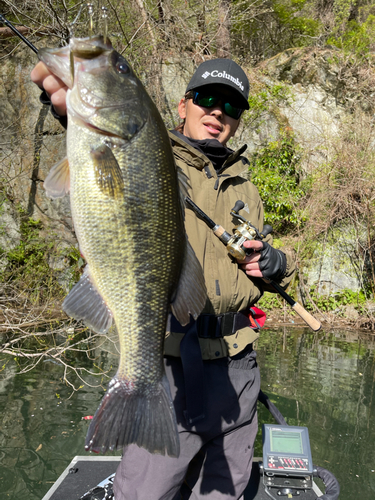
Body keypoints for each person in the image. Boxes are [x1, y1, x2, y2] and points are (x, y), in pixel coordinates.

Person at [31, 57, 295, 500]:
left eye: (231, 106)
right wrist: (70, 107)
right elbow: (114, 144)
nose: (218, 112)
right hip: (173, 371)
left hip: (239, 373)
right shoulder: (152, 152)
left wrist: (275, 263)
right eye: (208, 99)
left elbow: (272, 268)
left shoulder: (246, 188)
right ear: (182, 106)